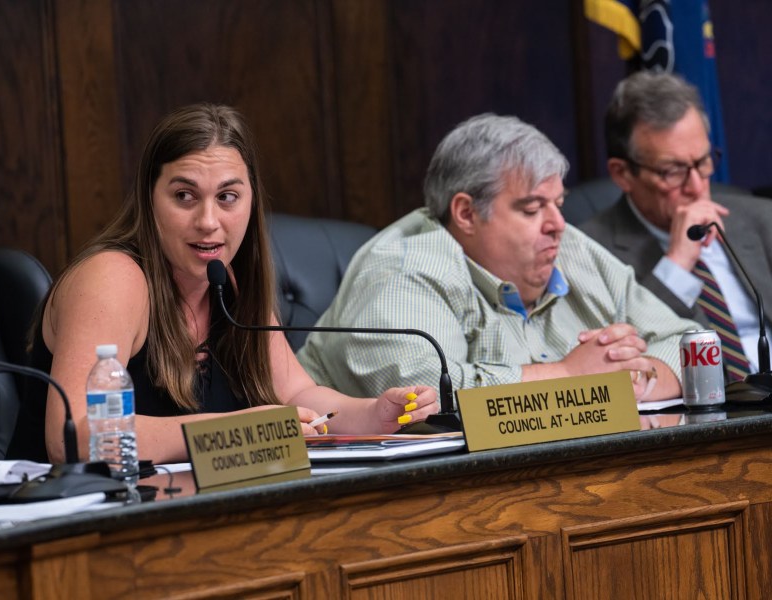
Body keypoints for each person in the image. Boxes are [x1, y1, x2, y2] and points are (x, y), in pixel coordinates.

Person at [12, 103, 436, 465]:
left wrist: (374, 414)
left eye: (227, 197)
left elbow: (297, 393)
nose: (209, 222)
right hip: (63, 534)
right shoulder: (112, 277)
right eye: (184, 196)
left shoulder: (226, 281)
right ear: (149, 198)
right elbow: (76, 437)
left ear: (251, 200)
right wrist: (239, 432)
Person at [297, 114, 699, 402]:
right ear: (467, 214)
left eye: (558, 203)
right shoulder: (402, 268)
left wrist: (639, 378)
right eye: (531, 209)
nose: (557, 224)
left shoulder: (571, 248)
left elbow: (691, 344)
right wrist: (568, 375)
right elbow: (423, 399)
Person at [579, 71, 772, 381]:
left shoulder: (764, 220)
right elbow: (627, 360)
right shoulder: (589, 253)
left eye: (703, 162)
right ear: (622, 174)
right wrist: (677, 264)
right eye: (672, 171)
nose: (697, 186)